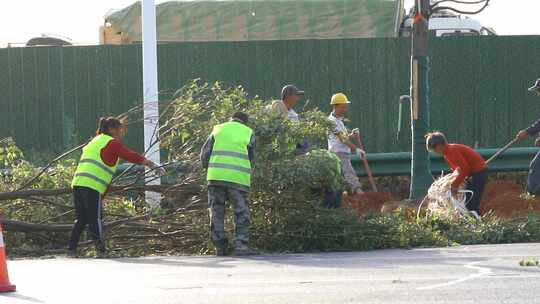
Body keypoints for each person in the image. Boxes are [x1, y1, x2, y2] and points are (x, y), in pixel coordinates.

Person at [68, 117, 164, 257]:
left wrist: (102, 195)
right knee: (96, 218)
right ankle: (101, 250)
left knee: (82, 219)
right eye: (120, 129)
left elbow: (100, 171)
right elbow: (130, 155)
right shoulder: (111, 143)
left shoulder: (94, 141)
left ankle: (71, 249)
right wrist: (151, 164)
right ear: (112, 129)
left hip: (78, 183)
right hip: (91, 185)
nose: (121, 133)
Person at [200, 112, 257, 256]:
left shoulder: (218, 129)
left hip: (215, 178)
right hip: (237, 179)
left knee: (217, 212)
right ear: (245, 122)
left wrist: (209, 168)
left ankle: (220, 248)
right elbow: (251, 158)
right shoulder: (248, 132)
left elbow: (204, 154)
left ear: (230, 119)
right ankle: (241, 246)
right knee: (241, 212)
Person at [425, 131, 487, 217]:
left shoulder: (451, 151)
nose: (435, 152)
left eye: (434, 149)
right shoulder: (447, 153)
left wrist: (455, 185)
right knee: (468, 202)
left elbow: (464, 169)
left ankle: (478, 224)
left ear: (439, 145)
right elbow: (457, 170)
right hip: (473, 174)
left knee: (471, 203)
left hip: (478, 173)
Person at [327, 93, 365, 195]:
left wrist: (352, 135)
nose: (345, 110)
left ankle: (344, 194)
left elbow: (344, 137)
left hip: (341, 152)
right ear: (335, 106)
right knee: (349, 173)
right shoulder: (332, 121)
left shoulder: (338, 120)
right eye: (343, 107)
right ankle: (359, 192)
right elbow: (343, 139)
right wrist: (356, 149)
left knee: (341, 175)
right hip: (338, 153)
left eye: (346, 107)